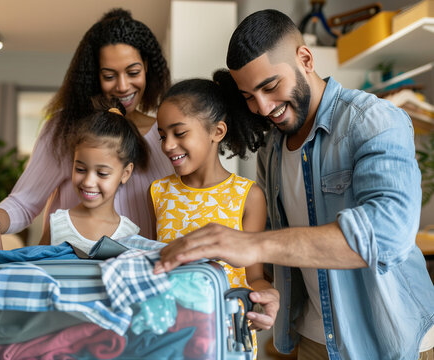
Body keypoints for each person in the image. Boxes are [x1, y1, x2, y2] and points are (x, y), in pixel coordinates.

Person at [155, 9, 434, 360]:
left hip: (390, 341)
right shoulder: (271, 148)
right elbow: (282, 248)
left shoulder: (373, 121)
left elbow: (388, 233)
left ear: (305, 59)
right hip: (314, 339)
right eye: (248, 97)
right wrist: (266, 290)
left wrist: (254, 245)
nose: (263, 107)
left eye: (270, 86)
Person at [0, 8, 173, 266]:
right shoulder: (65, 129)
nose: (122, 86)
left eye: (133, 72)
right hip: (69, 275)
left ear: (148, 67)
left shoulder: (166, 136)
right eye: (109, 75)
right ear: (94, 75)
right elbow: (25, 201)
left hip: (136, 278)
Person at [149, 73, 279, 359]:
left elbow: (254, 276)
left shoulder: (248, 196)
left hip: (227, 338)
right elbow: (151, 262)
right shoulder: (158, 192)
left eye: (179, 133)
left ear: (217, 132)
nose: (168, 145)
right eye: (162, 136)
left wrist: (264, 297)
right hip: (170, 337)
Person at [40, 97, 146, 256]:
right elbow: (37, 268)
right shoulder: (57, 224)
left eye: (102, 173)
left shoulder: (130, 234)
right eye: (81, 169)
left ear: (125, 173)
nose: (88, 182)